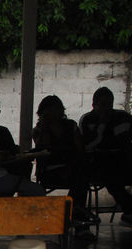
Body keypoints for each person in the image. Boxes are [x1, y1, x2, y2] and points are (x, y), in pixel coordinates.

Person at [32, 94, 94, 231]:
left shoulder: (71, 126)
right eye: (51, 111)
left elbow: (80, 149)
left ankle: (73, 213)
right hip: (51, 171)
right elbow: (43, 147)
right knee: (80, 178)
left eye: (57, 109)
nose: (55, 114)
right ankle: (74, 215)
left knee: (81, 177)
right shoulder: (39, 130)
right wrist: (45, 126)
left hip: (73, 166)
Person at [78, 87, 132, 226]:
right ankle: (129, 209)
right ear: (94, 105)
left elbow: (124, 142)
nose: (106, 108)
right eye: (102, 105)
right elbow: (88, 146)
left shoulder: (121, 117)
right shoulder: (88, 120)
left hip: (123, 160)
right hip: (98, 163)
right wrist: (102, 126)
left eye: (109, 104)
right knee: (110, 175)